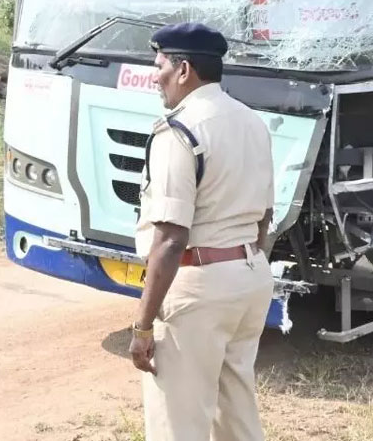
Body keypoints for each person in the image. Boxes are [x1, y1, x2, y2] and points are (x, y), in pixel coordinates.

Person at [127, 23, 274, 441]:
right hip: (250, 276)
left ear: (184, 69)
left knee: (178, 424)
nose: (156, 76)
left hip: (198, 285)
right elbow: (264, 216)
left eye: (160, 66)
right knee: (236, 416)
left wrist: (141, 326)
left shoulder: (180, 130)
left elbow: (171, 238)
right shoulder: (252, 122)